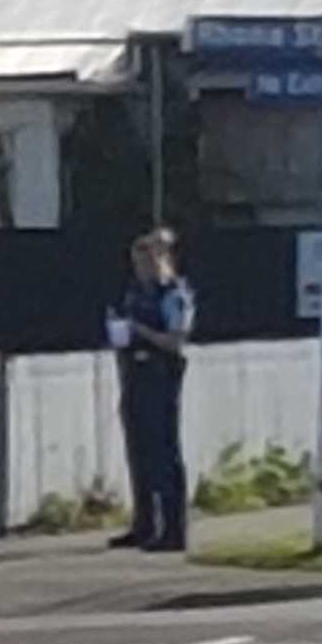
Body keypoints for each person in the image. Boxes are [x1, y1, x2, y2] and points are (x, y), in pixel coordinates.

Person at [108, 229, 196, 553]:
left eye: (148, 259)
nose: (142, 267)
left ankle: (173, 529)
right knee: (139, 450)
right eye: (137, 260)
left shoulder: (174, 295)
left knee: (164, 450)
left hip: (162, 373)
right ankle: (144, 524)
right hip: (135, 372)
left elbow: (175, 341)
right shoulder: (134, 293)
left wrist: (139, 330)